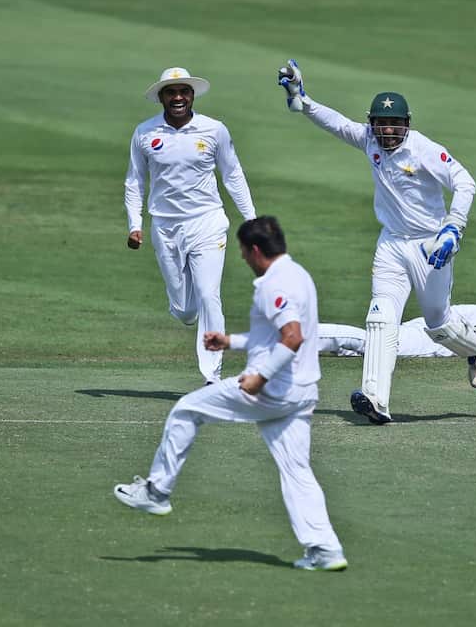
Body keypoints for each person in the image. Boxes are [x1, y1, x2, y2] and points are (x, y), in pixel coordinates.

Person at [112, 216, 347, 571]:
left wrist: (260, 378)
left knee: (187, 408)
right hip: (303, 392)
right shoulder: (299, 275)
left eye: (242, 251)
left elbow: (293, 337)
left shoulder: (274, 284)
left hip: (273, 391)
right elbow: (276, 337)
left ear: (255, 250)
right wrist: (229, 342)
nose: (241, 258)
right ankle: (326, 549)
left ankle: (157, 491)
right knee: (297, 471)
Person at [277, 59, 476, 425]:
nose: (387, 130)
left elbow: (466, 182)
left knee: (438, 325)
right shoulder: (369, 139)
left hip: (430, 246)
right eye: (380, 122)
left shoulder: (423, 150)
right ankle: (376, 400)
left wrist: (453, 228)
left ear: (407, 124)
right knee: (380, 318)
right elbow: (338, 123)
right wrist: (303, 99)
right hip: (391, 244)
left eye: (394, 124)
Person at [125, 67, 258, 384]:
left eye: (184, 91)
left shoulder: (214, 130)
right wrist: (134, 224)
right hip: (165, 227)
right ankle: (188, 309)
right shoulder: (145, 133)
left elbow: (233, 175)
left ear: (193, 95)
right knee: (186, 310)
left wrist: (252, 220)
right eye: (171, 92)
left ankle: (212, 375)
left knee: (210, 295)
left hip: (207, 222)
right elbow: (134, 182)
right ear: (161, 98)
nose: (178, 97)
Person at [319, 300, 476, 359]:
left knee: (368, 350)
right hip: (438, 337)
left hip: (433, 327)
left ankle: (307, 342)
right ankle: (306, 335)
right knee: (372, 343)